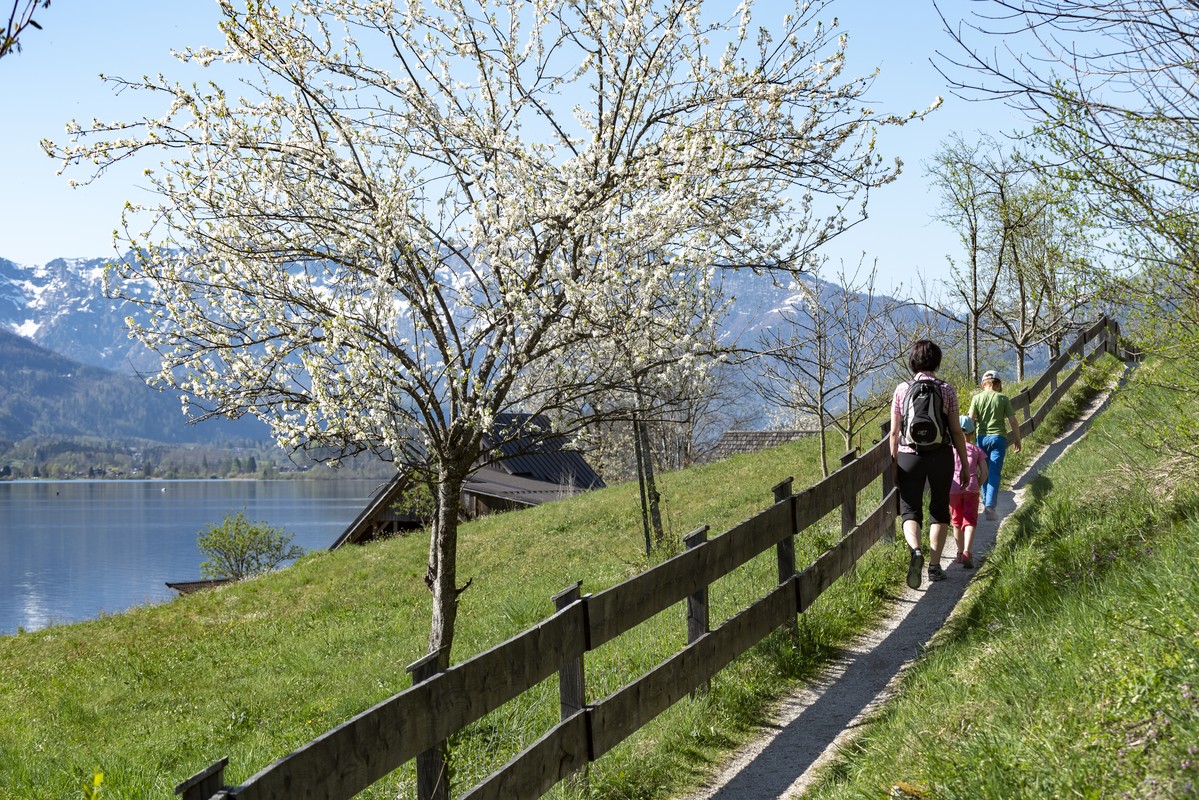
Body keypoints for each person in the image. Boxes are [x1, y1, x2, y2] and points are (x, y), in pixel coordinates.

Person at [890, 340, 971, 589]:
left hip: (908, 455)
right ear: (937, 361)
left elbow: (894, 433)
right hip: (940, 455)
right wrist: (965, 465)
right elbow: (957, 431)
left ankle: (916, 551)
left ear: (912, 361)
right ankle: (935, 567)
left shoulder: (902, 389)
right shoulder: (946, 389)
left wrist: (895, 463)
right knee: (939, 509)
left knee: (910, 510)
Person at [968, 370, 1023, 520]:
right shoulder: (1003, 399)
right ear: (998, 384)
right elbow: (1013, 421)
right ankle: (990, 506)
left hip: (981, 439)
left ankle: (986, 501)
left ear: (983, 384)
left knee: (983, 470)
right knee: (994, 472)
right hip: (998, 438)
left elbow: (970, 420)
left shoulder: (976, 398)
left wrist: (967, 441)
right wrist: (1017, 439)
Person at [950, 415, 988, 569]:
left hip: (953, 488)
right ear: (972, 433)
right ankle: (967, 552)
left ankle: (959, 553)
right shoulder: (977, 450)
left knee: (956, 521)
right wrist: (977, 484)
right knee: (970, 520)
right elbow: (985, 472)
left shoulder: (950, 450)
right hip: (971, 486)